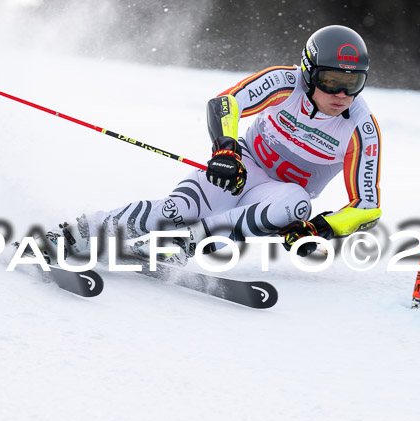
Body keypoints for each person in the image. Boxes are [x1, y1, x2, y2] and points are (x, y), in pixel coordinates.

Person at [45, 25, 381, 265]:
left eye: (354, 83)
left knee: (297, 205)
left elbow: (367, 209)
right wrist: (226, 149)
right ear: (308, 73)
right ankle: (77, 233)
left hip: (276, 197)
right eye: (331, 80)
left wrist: (317, 228)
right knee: (176, 210)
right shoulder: (284, 81)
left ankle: (180, 246)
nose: (342, 94)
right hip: (240, 171)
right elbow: (226, 103)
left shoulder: (360, 129)